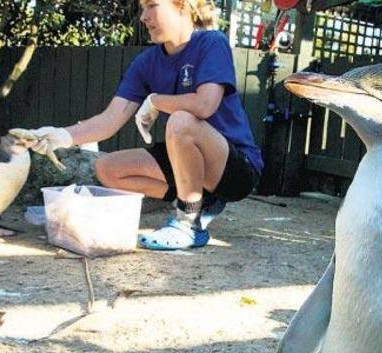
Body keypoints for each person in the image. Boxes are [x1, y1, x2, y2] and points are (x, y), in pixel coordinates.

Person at [19, 0, 263, 250]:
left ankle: (188, 222)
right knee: (107, 169)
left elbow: (204, 105)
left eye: (152, 5)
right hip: (189, 158)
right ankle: (202, 200)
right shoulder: (146, 62)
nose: (143, 17)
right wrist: (60, 136)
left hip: (237, 168)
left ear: (182, 6)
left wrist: (156, 101)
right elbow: (109, 120)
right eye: (142, 8)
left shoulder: (212, 42)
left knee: (181, 120)